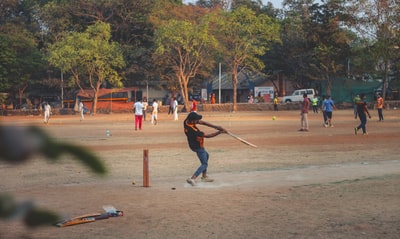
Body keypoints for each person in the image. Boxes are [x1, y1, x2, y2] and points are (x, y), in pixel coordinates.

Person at [183, 112, 226, 186]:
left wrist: (216, 126)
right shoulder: (194, 131)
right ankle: (193, 178)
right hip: (198, 146)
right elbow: (208, 136)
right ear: (193, 121)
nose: (198, 121)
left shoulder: (186, 122)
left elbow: (202, 122)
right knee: (204, 164)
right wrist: (219, 132)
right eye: (196, 120)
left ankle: (204, 177)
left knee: (206, 156)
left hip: (192, 144)